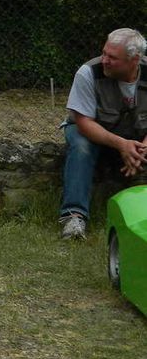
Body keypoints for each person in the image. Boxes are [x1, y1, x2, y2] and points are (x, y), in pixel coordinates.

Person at [58, 28, 147, 240]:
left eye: (112, 57)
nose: (104, 60)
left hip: (136, 134)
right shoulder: (88, 72)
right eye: (104, 53)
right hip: (90, 130)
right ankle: (74, 217)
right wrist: (122, 145)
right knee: (81, 146)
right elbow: (84, 122)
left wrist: (142, 147)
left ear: (134, 60)